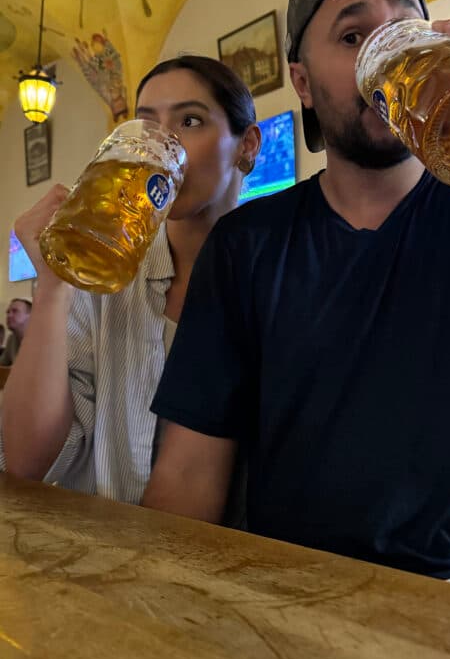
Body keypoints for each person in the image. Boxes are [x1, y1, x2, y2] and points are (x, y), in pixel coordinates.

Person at [142, 0, 450, 581]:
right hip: (314, 604)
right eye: (352, 35)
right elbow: (188, 475)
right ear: (303, 82)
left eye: (407, 27)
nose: (390, 49)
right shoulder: (246, 245)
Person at [0, 56, 260, 503]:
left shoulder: (277, 270)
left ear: (247, 146)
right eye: (147, 125)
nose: (160, 145)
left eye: (190, 120)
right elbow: (24, 463)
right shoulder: (106, 279)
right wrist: (54, 284)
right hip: (109, 553)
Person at [0, 299, 32, 365]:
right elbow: (2, 365)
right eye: (8, 312)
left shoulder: (43, 341)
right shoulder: (11, 339)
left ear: (31, 316)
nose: (9, 315)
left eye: (15, 311)